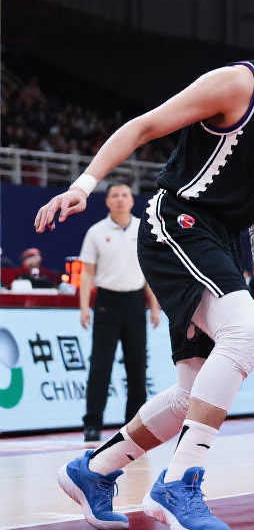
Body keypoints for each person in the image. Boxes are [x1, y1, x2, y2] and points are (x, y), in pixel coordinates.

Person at [37, 0, 254, 530]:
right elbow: (143, 126)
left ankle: (94, 470)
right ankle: (179, 481)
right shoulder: (238, 84)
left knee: (191, 391)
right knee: (245, 333)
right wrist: (85, 184)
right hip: (175, 221)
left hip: (219, 240)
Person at [79, 183, 162, 443]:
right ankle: (92, 423)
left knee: (137, 365)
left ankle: (133, 425)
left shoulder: (143, 229)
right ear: (107, 202)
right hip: (106, 302)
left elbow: (150, 271)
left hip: (135, 302)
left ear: (131, 200)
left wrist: (155, 306)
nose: (120, 199)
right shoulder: (96, 232)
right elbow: (87, 273)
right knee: (100, 365)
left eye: (124, 195)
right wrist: (84, 307)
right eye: (114, 195)